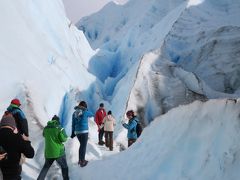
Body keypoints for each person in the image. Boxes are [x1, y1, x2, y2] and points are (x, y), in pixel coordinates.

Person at [0, 113, 35, 180]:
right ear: (13, 125)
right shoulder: (17, 138)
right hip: (13, 176)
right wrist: (26, 141)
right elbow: (30, 154)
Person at [37, 115, 69, 180]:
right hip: (59, 152)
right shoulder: (59, 128)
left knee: (46, 168)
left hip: (48, 152)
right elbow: (64, 139)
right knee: (64, 167)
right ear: (58, 121)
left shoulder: (46, 128)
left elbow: (44, 135)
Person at [71, 101, 94, 167]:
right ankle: (82, 161)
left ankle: (80, 160)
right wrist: (86, 110)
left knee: (81, 145)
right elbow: (92, 114)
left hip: (77, 132)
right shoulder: (85, 112)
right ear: (85, 106)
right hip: (84, 131)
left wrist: (73, 132)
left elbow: (73, 123)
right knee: (83, 146)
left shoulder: (74, 113)